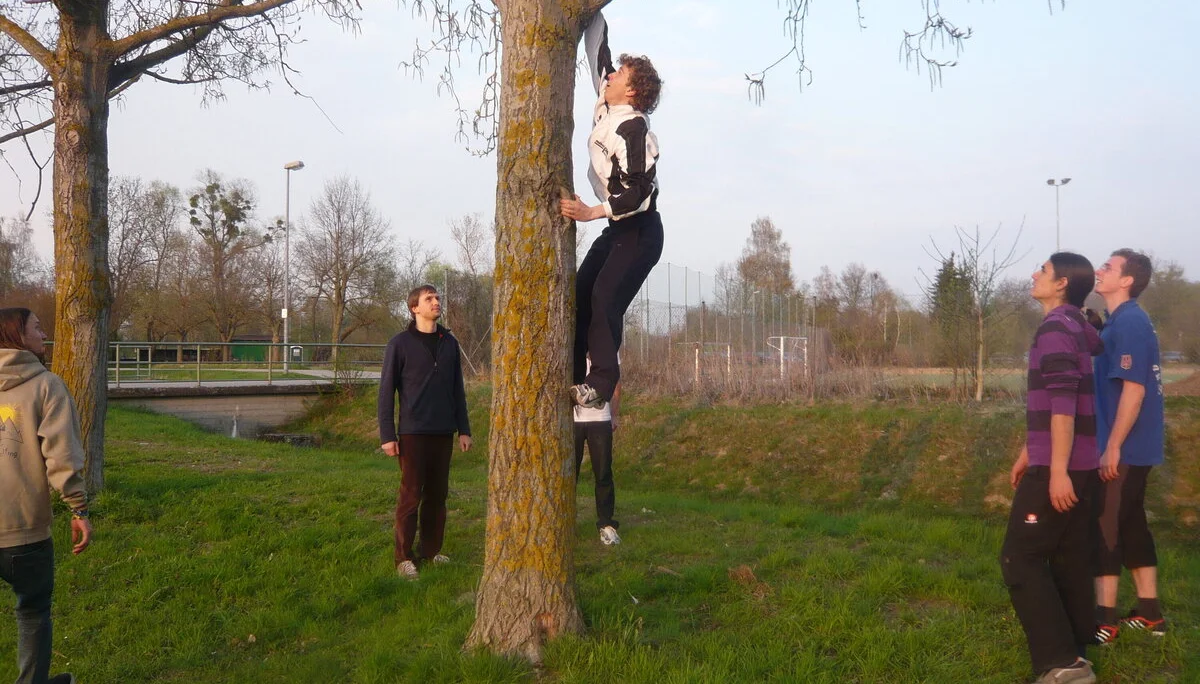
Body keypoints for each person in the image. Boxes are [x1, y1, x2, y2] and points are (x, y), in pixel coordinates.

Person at [1001, 254, 1103, 684]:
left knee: (1019, 558)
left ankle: (1061, 664)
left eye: (1041, 271)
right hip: (1079, 462)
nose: (1033, 275)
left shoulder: (1057, 328)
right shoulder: (1078, 328)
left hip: (1061, 466)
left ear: (1061, 283)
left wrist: (1055, 469)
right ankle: (1078, 649)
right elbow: (1063, 401)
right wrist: (1031, 448)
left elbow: (1063, 405)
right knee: (1068, 557)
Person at [560, 11, 663, 409]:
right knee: (580, 294)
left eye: (620, 74)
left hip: (640, 230)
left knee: (605, 296)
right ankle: (569, 378)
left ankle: (601, 383)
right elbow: (597, 49)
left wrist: (591, 212)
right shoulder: (606, 102)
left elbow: (639, 191)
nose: (611, 76)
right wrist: (589, 12)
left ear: (633, 92)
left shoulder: (635, 128)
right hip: (618, 231)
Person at [0, 307, 92, 684]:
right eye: (37, 327)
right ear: (17, 336)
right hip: (23, 531)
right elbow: (62, 454)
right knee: (33, 611)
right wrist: (79, 507)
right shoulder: (46, 385)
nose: (44, 333)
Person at [1090, 249, 1167, 645]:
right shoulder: (1117, 322)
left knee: (1106, 523)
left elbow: (1134, 392)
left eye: (1108, 266)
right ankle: (1150, 613)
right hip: (1130, 447)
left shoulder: (1132, 322)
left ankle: (1104, 620)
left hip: (1127, 448)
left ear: (1127, 281)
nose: (1099, 270)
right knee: (1132, 523)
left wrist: (1113, 447)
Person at [377, 286, 472, 580]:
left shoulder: (449, 343)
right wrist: (387, 435)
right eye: (429, 299)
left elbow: (458, 389)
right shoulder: (400, 344)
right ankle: (403, 558)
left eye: (437, 298)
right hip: (412, 433)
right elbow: (386, 392)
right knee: (410, 496)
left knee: (437, 496)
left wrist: (464, 430)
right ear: (414, 308)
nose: (436, 302)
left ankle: (430, 551)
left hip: (443, 431)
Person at [573, 355, 621, 545]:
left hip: (600, 419)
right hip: (573, 420)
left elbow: (616, 384)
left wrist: (614, 415)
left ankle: (606, 524)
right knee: (569, 475)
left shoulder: (608, 348)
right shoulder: (573, 341)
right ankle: (566, 523)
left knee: (603, 473)